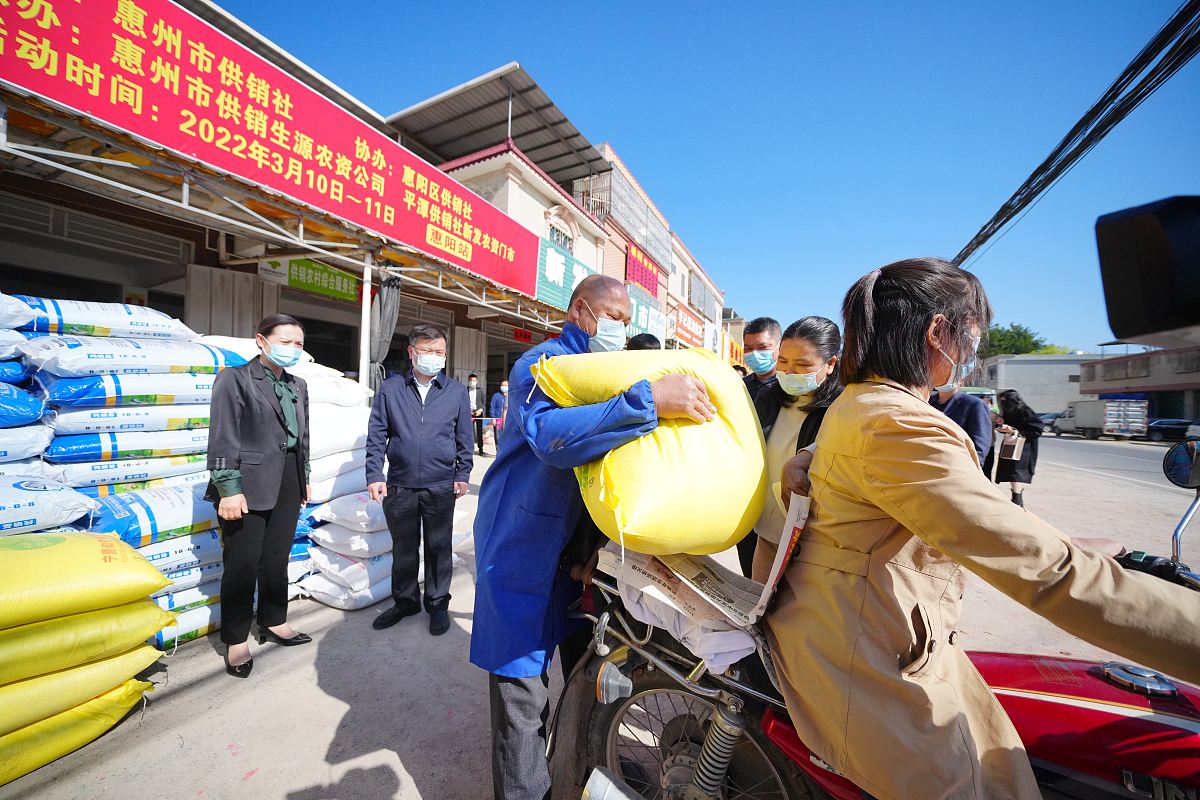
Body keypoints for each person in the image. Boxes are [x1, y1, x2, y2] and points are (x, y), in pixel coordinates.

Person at [765, 257, 1200, 800]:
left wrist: (1075, 543)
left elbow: (970, 519)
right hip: (868, 649)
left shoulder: (865, 403)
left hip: (867, 625)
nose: (974, 347)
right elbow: (1050, 574)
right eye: (973, 332)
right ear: (937, 332)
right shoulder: (897, 423)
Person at [471, 274, 716, 800]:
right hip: (523, 546)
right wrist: (647, 402)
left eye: (628, 322)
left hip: (584, 556)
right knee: (522, 694)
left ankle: (588, 763)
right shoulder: (543, 365)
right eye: (614, 317)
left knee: (596, 674)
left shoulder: (612, 369)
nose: (620, 329)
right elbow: (550, 439)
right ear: (581, 310)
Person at [206, 314, 313, 679]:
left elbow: (304, 437)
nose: (292, 349)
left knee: (276, 557)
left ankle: (275, 619)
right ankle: (236, 639)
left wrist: (305, 477)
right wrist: (228, 489)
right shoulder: (234, 379)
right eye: (285, 341)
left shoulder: (298, 385)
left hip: (287, 479)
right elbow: (222, 438)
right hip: (246, 482)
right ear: (261, 341)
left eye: (298, 343)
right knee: (242, 563)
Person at [366, 324, 473, 637]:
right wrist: (374, 473)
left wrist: (463, 472)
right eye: (428, 351)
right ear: (411, 352)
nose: (434, 357)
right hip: (400, 483)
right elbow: (377, 434)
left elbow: (464, 435)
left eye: (439, 352)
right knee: (404, 547)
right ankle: (406, 600)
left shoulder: (455, 392)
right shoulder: (392, 389)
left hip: (440, 484)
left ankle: (438, 604)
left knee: (439, 548)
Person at [740, 317, 843, 581]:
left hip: (811, 540)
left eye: (803, 365)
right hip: (766, 530)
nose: (789, 372)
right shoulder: (769, 396)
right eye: (784, 362)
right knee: (759, 608)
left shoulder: (842, 407)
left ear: (830, 364)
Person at [994, 388, 1044, 506]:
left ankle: (1017, 498)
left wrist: (1014, 431)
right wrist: (1001, 426)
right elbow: (1008, 426)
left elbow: (1037, 429)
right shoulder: (1008, 411)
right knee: (1010, 470)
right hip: (1011, 444)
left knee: (1015, 471)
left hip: (1024, 447)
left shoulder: (1025, 410)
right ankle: (1016, 495)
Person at [930, 387, 993, 464]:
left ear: (961, 379)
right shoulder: (926, 401)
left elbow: (979, 447)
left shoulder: (974, 404)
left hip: (955, 465)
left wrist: (970, 468)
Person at [742, 316, 781, 401]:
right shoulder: (740, 386)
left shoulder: (791, 386)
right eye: (748, 348)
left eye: (763, 347)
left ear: (780, 346)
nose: (754, 354)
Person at [468, 372, 487, 456]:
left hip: (478, 413)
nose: (472, 382)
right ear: (468, 381)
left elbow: (483, 402)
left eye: (474, 380)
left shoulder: (480, 390)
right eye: (471, 380)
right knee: (468, 432)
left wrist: (481, 410)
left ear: (477, 381)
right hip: (468, 413)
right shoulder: (465, 390)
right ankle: (469, 449)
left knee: (479, 431)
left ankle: (480, 449)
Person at [489, 379, 508, 450]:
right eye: (503, 385)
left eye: (506, 385)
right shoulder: (496, 396)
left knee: (507, 437)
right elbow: (492, 407)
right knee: (498, 437)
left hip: (507, 421)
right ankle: (498, 452)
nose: (504, 387)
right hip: (498, 420)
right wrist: (493, 418)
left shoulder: (510, 396)